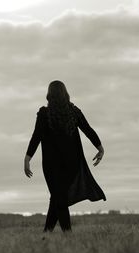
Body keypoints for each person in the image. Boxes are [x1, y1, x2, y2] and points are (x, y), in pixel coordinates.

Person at [24, 80, 106, 234]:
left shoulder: (44, 114)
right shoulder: (73, 112)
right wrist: (100, 148)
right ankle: (46, 236)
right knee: (57, 198)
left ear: (49, 95)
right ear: (65, 93)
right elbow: (88, 130)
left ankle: (67, 237)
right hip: (72, 164)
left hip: (51, 165)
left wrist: (27, 158)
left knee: (58, 198)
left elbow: (36, 137)